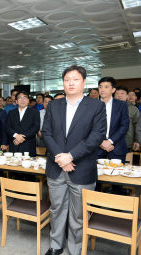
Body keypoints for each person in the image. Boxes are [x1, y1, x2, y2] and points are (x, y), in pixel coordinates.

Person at [42, 65, 106, 255]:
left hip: (82, 168)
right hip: (56, 167)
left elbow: (96, 136)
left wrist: (71, 156)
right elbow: (47, 133)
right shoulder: (54, 105)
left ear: (84, 83)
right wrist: (61, 158)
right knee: (56, 209)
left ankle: (75, 248)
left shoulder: (96, 106)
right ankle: (55, 245)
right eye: (67, 79)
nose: (70, 82)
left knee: (79, 214)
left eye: (75, 79)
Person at [97, 77, 129, 163]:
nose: (102, 89)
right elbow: (88, 127)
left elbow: (124, 126)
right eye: (100, 87)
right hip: (96, 148)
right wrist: (101, 142)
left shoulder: (122, 105)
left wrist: (110, 141)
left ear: (113, 90)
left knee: (117, 173)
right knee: (95, 175)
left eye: (106, 87)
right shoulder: (91, 105)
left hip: (117, 147)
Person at [6, 91, 40, 157]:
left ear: (28, 100)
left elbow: (35, 127)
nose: (22, 100)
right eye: (20, 98)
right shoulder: (11, 113)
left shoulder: (34, 112)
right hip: (14, 144)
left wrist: (22, 137)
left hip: (28, 145)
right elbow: (7, 127)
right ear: (16, 101)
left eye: (25, 98)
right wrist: (16, 136)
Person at [114, 86, 140, 152]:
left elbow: (137, 126)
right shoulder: (108, 108)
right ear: (114, 96)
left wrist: (137, 141)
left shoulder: (133, 109)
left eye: (122, 93)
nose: (119, 95)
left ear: (127, 96)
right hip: (109, 142)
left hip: (127, 142)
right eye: (117, 93)